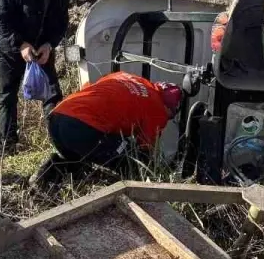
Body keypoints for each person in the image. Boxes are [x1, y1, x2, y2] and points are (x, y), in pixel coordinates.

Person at [32, 72, 182, 187]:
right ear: (169, 108)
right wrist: (151, 174)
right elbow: (145, 149)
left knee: (80, 162)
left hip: (57, 118)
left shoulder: (127, 77)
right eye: (170, 115)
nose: (167, 120)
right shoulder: (158, 108)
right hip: (80, 126)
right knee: (129, 162)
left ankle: (47, 175)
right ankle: (133, 196)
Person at [0, 0, 71, 149]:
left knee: (53, 96)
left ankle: (58, 144)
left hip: (40, 51)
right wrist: (20, 44)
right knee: (7, 97)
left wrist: (49, 45)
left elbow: (61, 25)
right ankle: (7, 147)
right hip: (10, 50)